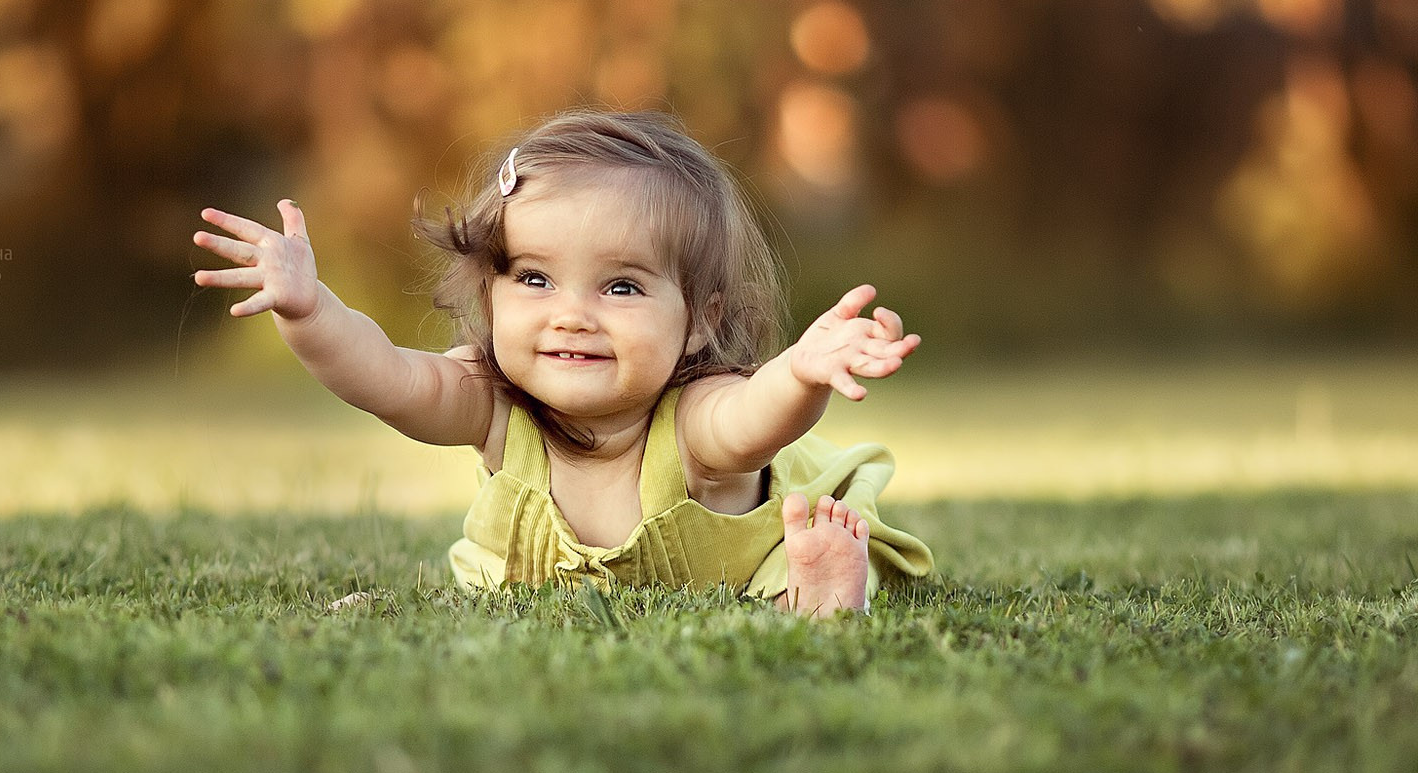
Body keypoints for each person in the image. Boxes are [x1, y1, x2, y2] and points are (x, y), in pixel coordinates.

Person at [193, 109, 934, 616]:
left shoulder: (694, 417)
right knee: (490, 587)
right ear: (493, 286)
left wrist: (803, 369)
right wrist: (310, 309)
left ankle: (827, 585)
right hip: (533, 581)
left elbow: (754, 419)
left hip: (746, 561)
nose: (571, 313)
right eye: (535, 278)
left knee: (801, 554)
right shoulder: (491, 400)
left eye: (621, 286)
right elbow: (384, 375)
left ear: (701, 321)